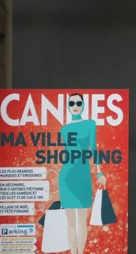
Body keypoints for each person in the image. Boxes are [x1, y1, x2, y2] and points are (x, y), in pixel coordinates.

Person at [58, 93, 107, 254]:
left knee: (82, 220)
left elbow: (93, 148)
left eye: (78, 102)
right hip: (67, 176)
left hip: (83, 175)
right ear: (68, 107)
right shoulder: (64, 129)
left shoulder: (90, 124)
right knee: (71, 221)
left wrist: (99, 172)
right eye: (72, 103)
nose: (75, 106)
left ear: (83, 105)